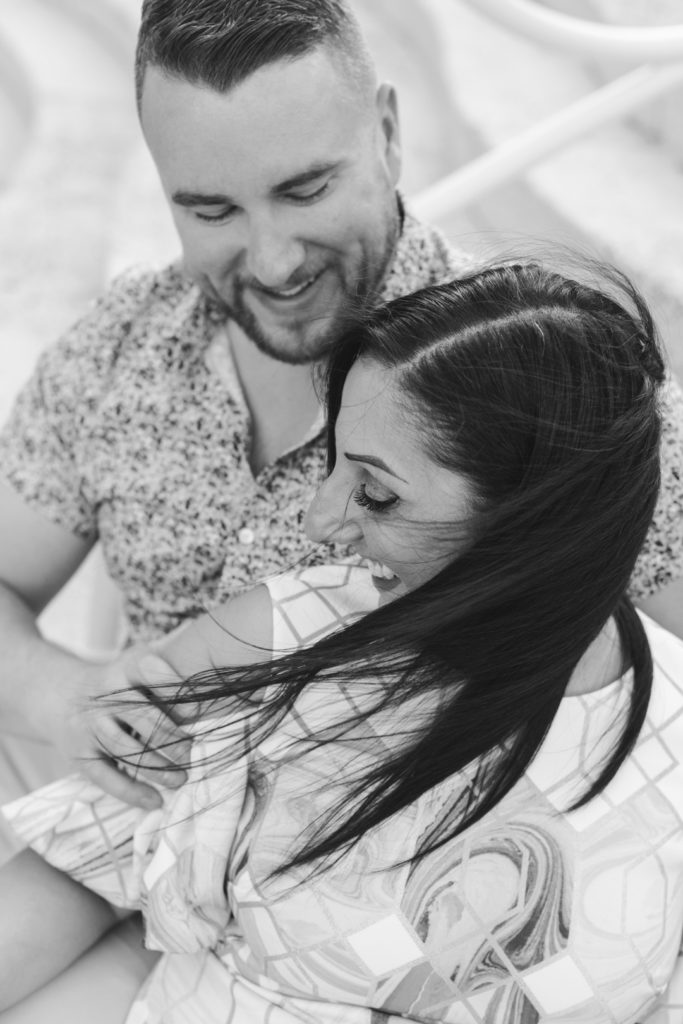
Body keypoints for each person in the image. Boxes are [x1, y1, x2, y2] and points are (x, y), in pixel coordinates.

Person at [0, 0, 682, 817]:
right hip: (147, 854)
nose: (273, 261)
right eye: (210, 210)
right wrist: (62, 695)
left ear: (388, 136)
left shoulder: (540, 381)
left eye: (304, 189)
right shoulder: (123, 343)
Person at [1, 262, 682, 1022]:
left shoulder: (668, 737)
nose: (318, 523)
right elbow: (78, 872)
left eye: (376, 492)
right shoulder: (276, 641)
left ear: (535, 525)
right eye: (333, 461)